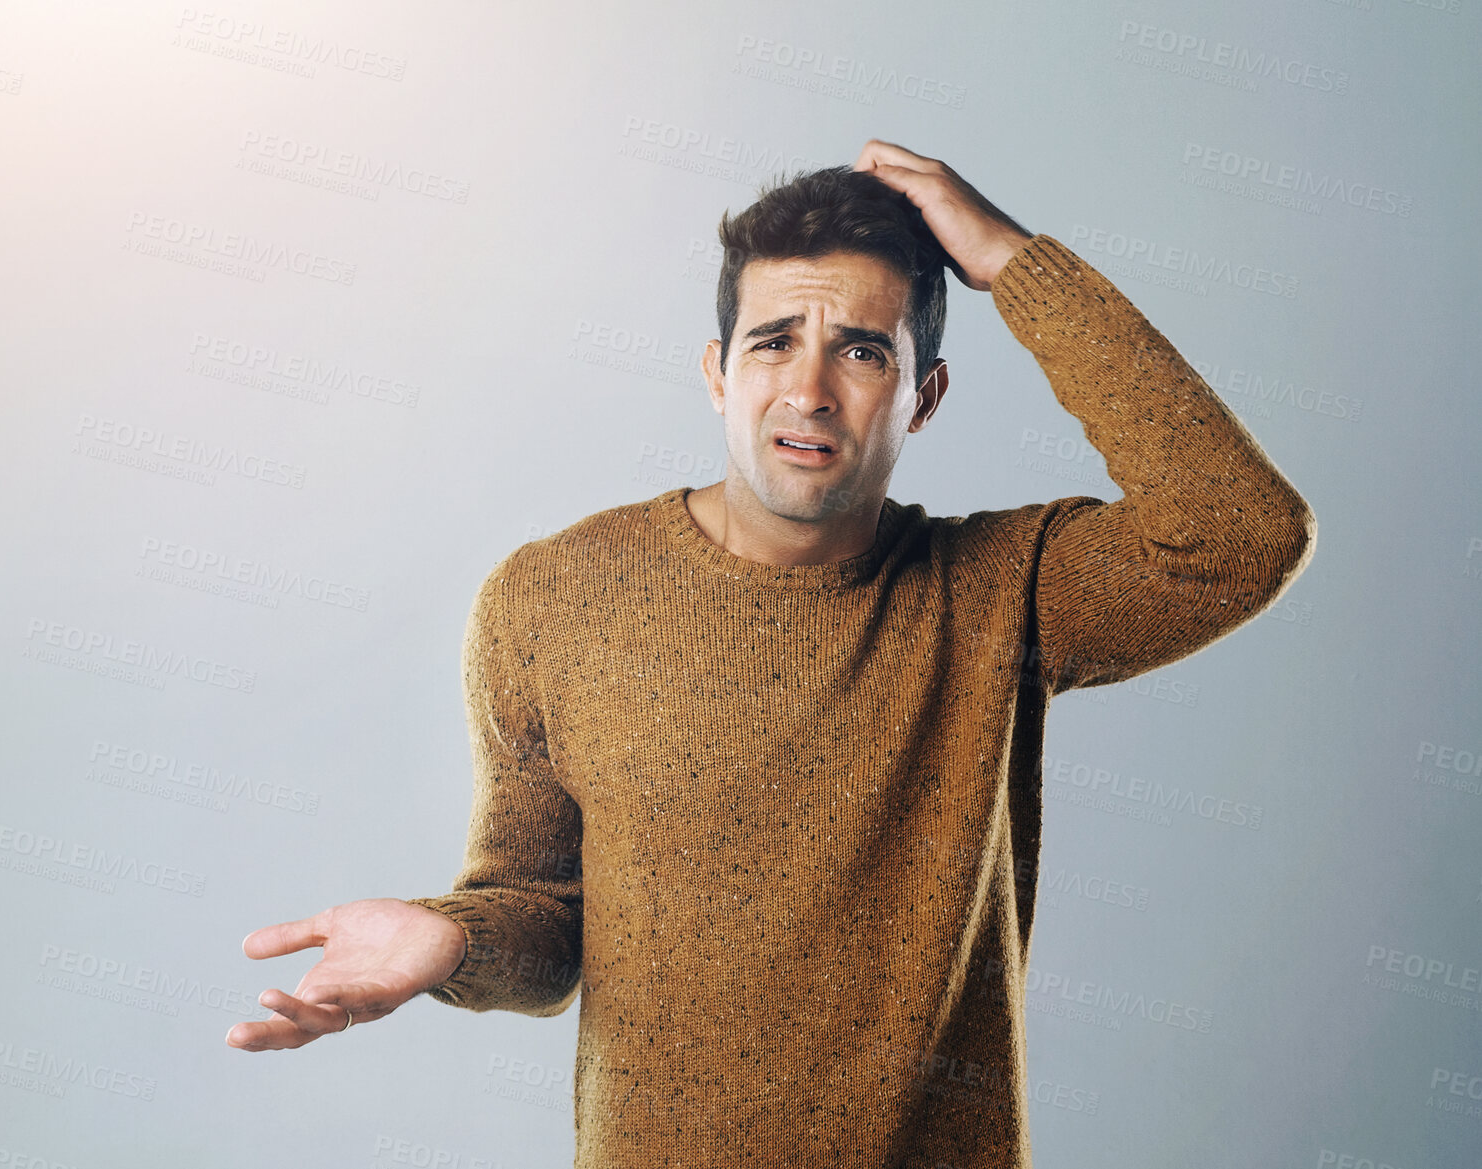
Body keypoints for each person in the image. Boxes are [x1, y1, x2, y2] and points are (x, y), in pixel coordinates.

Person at [226, 139, 1316, 1167]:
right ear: (716, 371)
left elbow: (1239, 531)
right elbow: (545, 917)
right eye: (773, 341)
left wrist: (1009, 263)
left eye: (860, 350)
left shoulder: (1001, 592)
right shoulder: (550, 597)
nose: (808, 389)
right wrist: (450, 939)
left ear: (922, 397)